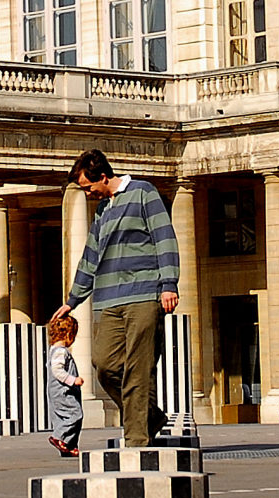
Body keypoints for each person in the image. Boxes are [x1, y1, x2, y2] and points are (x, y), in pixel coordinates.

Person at [54, 148, 178, 447]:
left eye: (88, 187)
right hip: (109, 299)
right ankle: (149, 416)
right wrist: (73, 299)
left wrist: (169, 283)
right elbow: (90, 256)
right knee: (104, 364)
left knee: (138, 366)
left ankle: (136, 440)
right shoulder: (102, 211)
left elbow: (164, 236)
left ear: (104, 176)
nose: (88, 193)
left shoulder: (143, 193)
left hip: (144, 294)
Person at [46, 315, 84, 457]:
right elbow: (57, 371)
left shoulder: (52, 350)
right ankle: (59, 437)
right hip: (63, 391)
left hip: (56, 391)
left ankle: (69, 446)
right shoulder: (60, 351)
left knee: (61, 417)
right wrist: (73, 380)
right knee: (75, 414)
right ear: (68, 334)